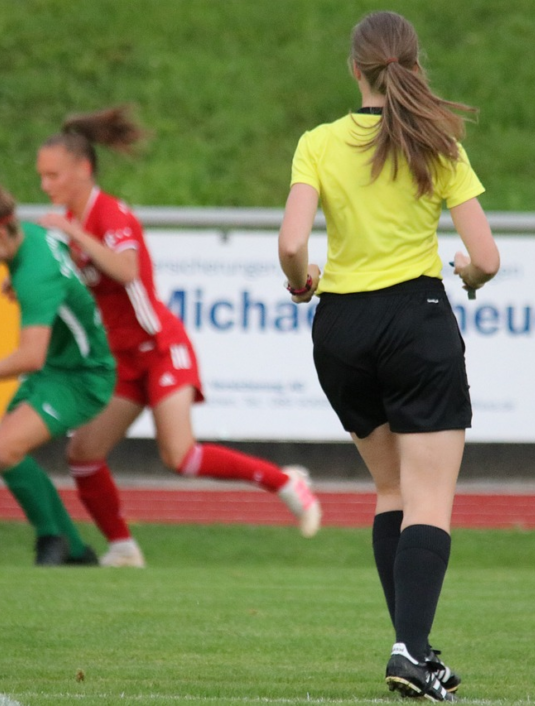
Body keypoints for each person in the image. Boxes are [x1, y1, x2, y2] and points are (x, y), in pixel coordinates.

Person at [278, 11, 499, 701]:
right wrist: (469, 273)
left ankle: (418, 650)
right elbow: (487, 257)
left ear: (355, 69)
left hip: (340, 326)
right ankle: (409, 649)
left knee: (392, 491)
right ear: (414, 65)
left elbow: (291, 243)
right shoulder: (438, 141)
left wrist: (299, 280)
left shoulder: (318, 141)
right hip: (416, 319)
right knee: (429, 497)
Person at [35, 106, 322, 568]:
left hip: (160, 348)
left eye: (54, 175)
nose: (46, 186)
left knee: (180, 455)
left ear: (83, 169)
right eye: (42, 177)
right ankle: (123, 548)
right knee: (83, 452)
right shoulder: (70, 226)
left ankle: (286, 483)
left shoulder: (111, 216)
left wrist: (73, 234)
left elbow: (126, 270)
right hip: (121, 359)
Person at [0, 178, 115, 567]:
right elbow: (60, 251)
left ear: (0, 231)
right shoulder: (34, 236)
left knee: (3, 449)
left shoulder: (35, 276)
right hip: (60, 366)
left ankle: (53, 541)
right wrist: (19, 279)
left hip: (82, 375)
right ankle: (73, 549)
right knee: (7, 448)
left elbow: (29, 357)